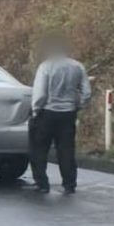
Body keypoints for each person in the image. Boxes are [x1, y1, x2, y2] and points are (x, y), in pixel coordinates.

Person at [29, 34, 92, 194]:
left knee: (39, 149)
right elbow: (86, 92)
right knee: (66, 150)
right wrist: (78, 106)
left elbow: (40, 93)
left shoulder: (46, 66)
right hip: (68, 114)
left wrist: (36, 110)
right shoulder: (78, 66)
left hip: (47, 112)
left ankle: (42, 183)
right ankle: (69, 184)